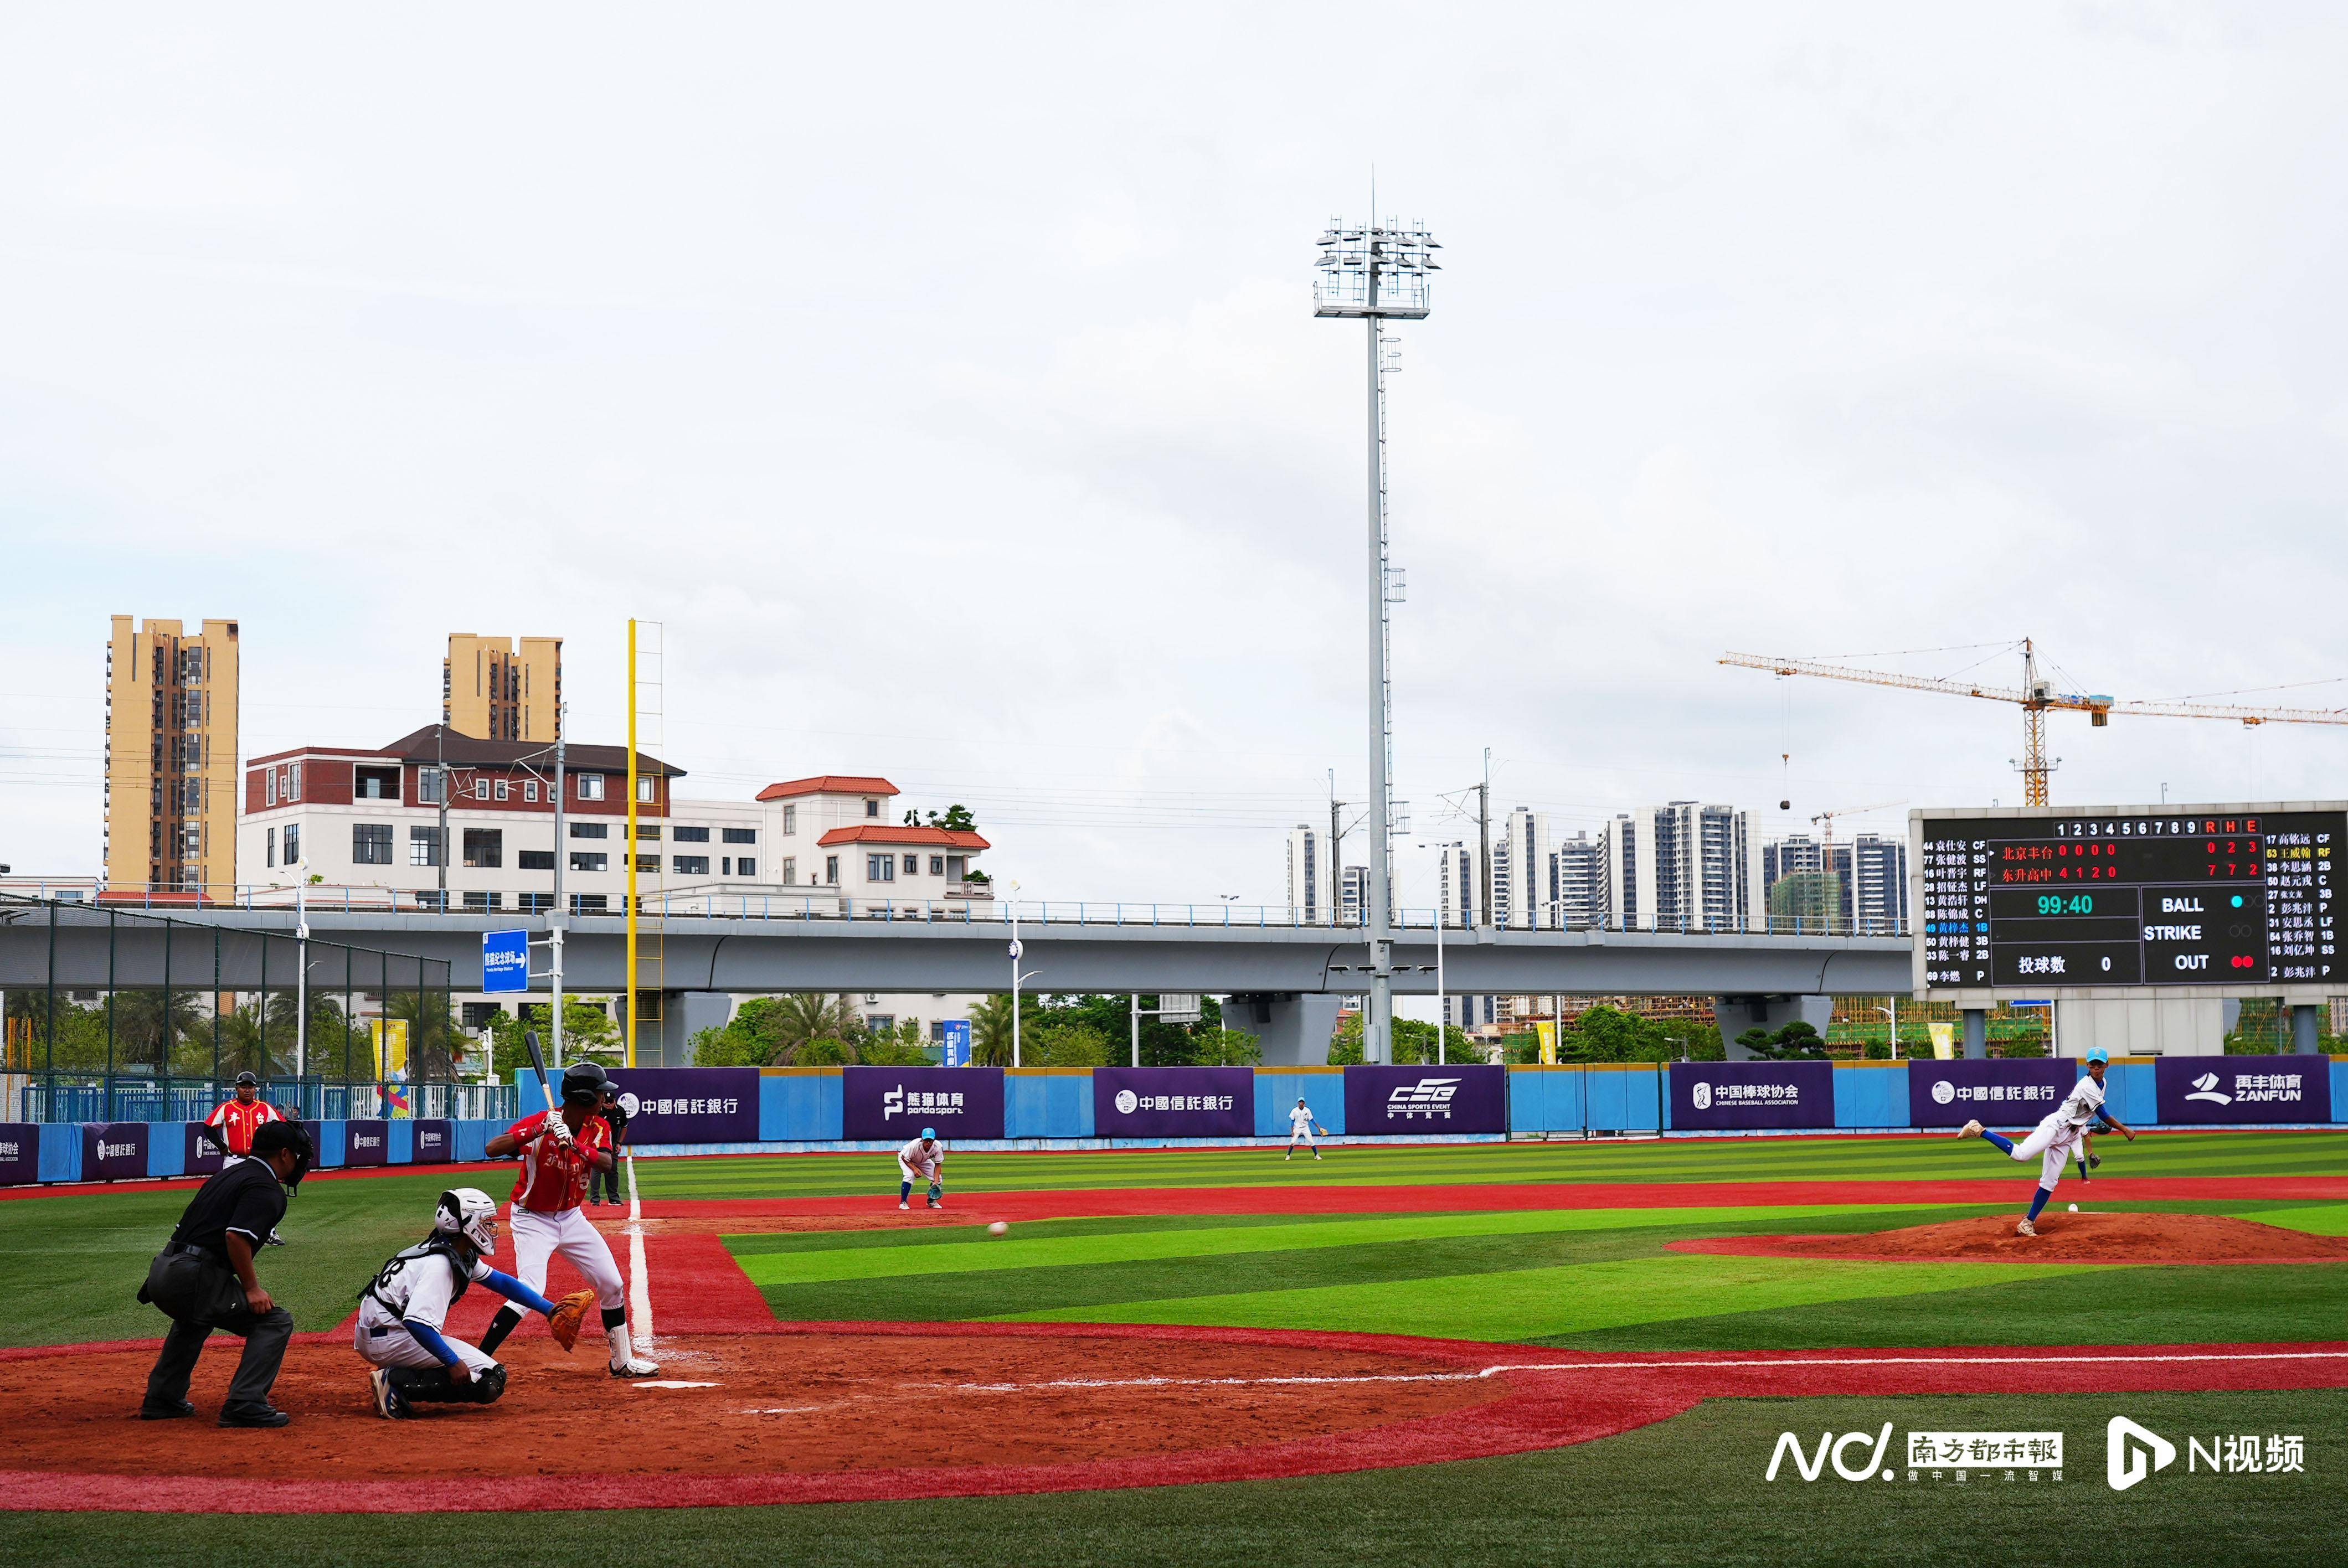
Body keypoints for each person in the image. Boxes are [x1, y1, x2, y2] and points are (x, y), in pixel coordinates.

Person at [474, 1060, 658, 1377]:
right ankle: (477, 1361)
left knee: (612, 1284)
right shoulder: (542, 1123)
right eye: (601, 1094)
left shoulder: (599, 1126)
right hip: (532, 1218)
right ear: (586, 1098)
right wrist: (538, 1130)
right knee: (530, 1289)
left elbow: (604, 1163)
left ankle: (622, 1362)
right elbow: (492, 1147)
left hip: (572, 1218)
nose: (606, 1100)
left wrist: (575, 1145)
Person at [354, 1188, 595, 1420]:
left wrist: (549, 1309)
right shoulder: (440, 1266)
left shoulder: (453, 1250)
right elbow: (418, 1324)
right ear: (467, 1224)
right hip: (391, 1338)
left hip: (384, 1331)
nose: (491, 1227)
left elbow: (502, 1283)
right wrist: (452, 1362)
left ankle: (398, 1377)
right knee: (488, 1383)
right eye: (486, 1221)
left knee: (492, 1374)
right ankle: (395, 1384)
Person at [136, 1120, 312, 1427]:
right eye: (297, 1156)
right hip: (190, 1275)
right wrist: (252, 1288)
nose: (299, 1163)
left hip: (163, 1271)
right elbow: (236, 1237)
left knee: (196, 1317)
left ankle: (162, 1398)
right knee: (275, 1321)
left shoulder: (228, 1174)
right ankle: (245, 1402)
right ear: (284, 1154)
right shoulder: (265, 1187)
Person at [1960, 1045, 2135, 1235]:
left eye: (2100, 1064)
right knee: (2021, 1154)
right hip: (2056, 1126)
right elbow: (2103, 1114)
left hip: (2069, 1134)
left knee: (2049, 1182)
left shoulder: (2104, 1083)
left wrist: (2089, 1128)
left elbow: (2088, 1112)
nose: (2096, 1068)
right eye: (2093, 1064)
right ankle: (1979, 1129)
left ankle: (2027, 1222)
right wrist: (2125, 1130)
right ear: (2087, 1065)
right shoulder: (2086, 1085)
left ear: (2107, 1065)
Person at [200, 1071, 287, 1161]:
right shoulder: (226, 1108)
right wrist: (221, 1146)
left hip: (259, 1160)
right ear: (237, 1088)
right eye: (243, 1087)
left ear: (255, 1089)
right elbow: (208, 1127)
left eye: (250, 1087)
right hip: (234, 1160)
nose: (247, 1090)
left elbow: (283, 1127)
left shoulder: (265, 1107)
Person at [590, 1084, 630, 1206]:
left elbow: (624, 1126)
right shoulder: (597, 1111)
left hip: (612, 1144)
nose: (608, 1104)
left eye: (611, 1102)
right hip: (597, 1143)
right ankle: (595, 1200)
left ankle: (614, 1199)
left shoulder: (620, 1111)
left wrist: (620, 1142)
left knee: (613, 1170)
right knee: (596, 1171)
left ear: (615, 1101)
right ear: (602, 1102)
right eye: (606, 1102)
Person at [898, 1128, 944, 1210]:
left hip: (923, 1161)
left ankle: (931, 1202)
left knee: (939, 1179)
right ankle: (903, 1202)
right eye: (926, 1140)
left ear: (934, 1140)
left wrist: (935, 1183)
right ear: (922, 1139)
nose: (928, 1143)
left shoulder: (938, 1146)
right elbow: (905, 1158)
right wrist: (915, 1169)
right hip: (907, 1159)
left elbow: (938, 1164)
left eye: (930, 1140)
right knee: (909, 1175)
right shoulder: (914, 1145)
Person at [1285, 1098, 1326, 1162]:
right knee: (1293, 1142)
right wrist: (1292, 1131)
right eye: (1300, 1102)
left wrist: (1319, 1128)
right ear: (1298, 1103)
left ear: (1304, 1103)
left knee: (1311, 1142)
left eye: (1302, 1102)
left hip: (1305, 1128)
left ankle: (1316, 1155)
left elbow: (1312, 1120)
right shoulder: (1294, 1110)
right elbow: (1292, 1121)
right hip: (1297, 1128)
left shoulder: (1307, 1110)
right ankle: (1288, 1155)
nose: (1301, 1103)